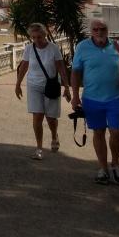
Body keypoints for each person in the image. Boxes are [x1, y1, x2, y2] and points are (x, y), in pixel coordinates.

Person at [71, 20, 119, 184]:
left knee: (116, 132)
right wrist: (75, 96)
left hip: (115, 98)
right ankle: (103, 169)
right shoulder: (82, 47)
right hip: (91, 99)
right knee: (99, 133)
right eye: (95, 29)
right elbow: (75, 72)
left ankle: (115, 165)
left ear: (107, 30)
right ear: (91, 31)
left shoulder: (118, 46)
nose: (99, 32)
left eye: (102, 29)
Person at [15, 22, 71, 159]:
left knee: (51, 118)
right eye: (33, 37)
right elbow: (24, 66)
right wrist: (18, 84)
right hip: (34, 85)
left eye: (39, 37)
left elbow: (61, 68)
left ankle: (54, 136)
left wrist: (66, 87)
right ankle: (39, 148)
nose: (36, 40)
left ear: (44, 35)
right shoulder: (29, 49)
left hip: (51, 85)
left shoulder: (53, 49)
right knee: (37, 116)